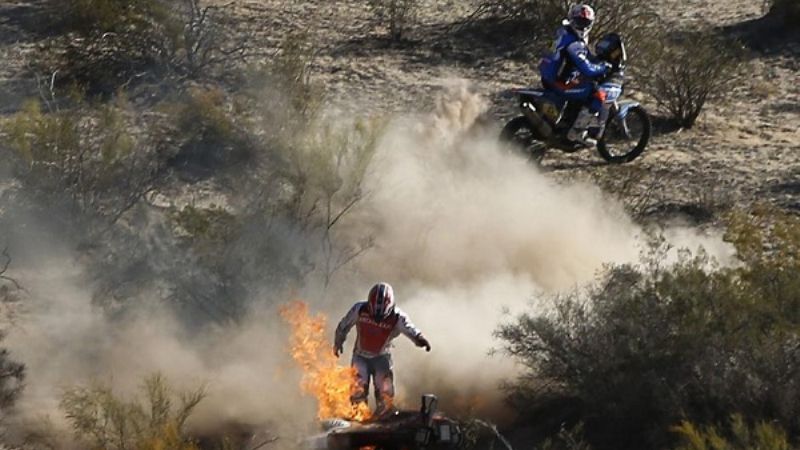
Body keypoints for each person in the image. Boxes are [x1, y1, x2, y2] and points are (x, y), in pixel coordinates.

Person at [333, 282, 431, 415]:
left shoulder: (398, 317)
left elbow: (410, 329)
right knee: (357, 391)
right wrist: (338, 342)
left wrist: (420, 339)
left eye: (381, 316)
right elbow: (344, 325)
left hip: (382, 357)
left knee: (385, 393)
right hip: (360, 356)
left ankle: (384, 417)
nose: (377, 319)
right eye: (374, 314)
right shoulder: (359, 309)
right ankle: (358, 416)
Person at [539, 4, 612, 146]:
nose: (583, 26)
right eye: (579, 22)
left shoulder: (563, 32)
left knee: (581, 86)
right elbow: (587, 68)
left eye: (586, 23)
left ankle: (567, 121)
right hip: (559, 81)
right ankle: (576, 133)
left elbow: (582, 57)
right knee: (595, 92)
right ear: (572, 20)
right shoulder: (574, 43)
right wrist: (603, 67)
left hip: (548, 75)